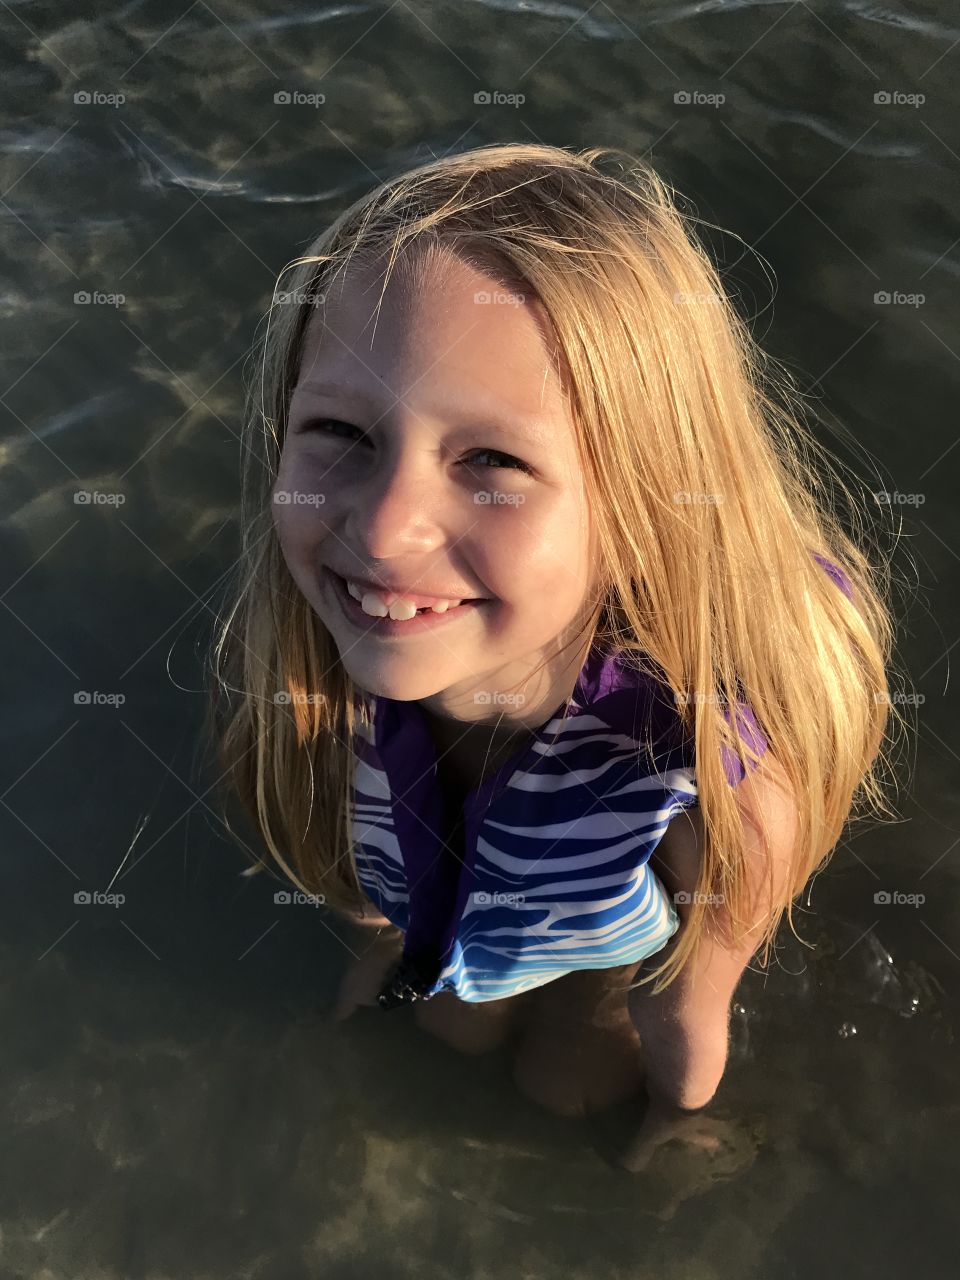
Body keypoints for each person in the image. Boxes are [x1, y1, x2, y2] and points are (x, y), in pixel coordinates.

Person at [207, 142, 897, 1150]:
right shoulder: (312, 669)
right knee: (446, 1028)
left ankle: (581, 1003)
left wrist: (678, 1120)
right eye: (342, 434)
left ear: (645, 505)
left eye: (491, 458)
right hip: (457, 917)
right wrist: (383, 946)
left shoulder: (713, 765)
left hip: (608, 953)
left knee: (562, 1086)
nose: (387, 527)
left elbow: (690, 1006)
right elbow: (341, 862)